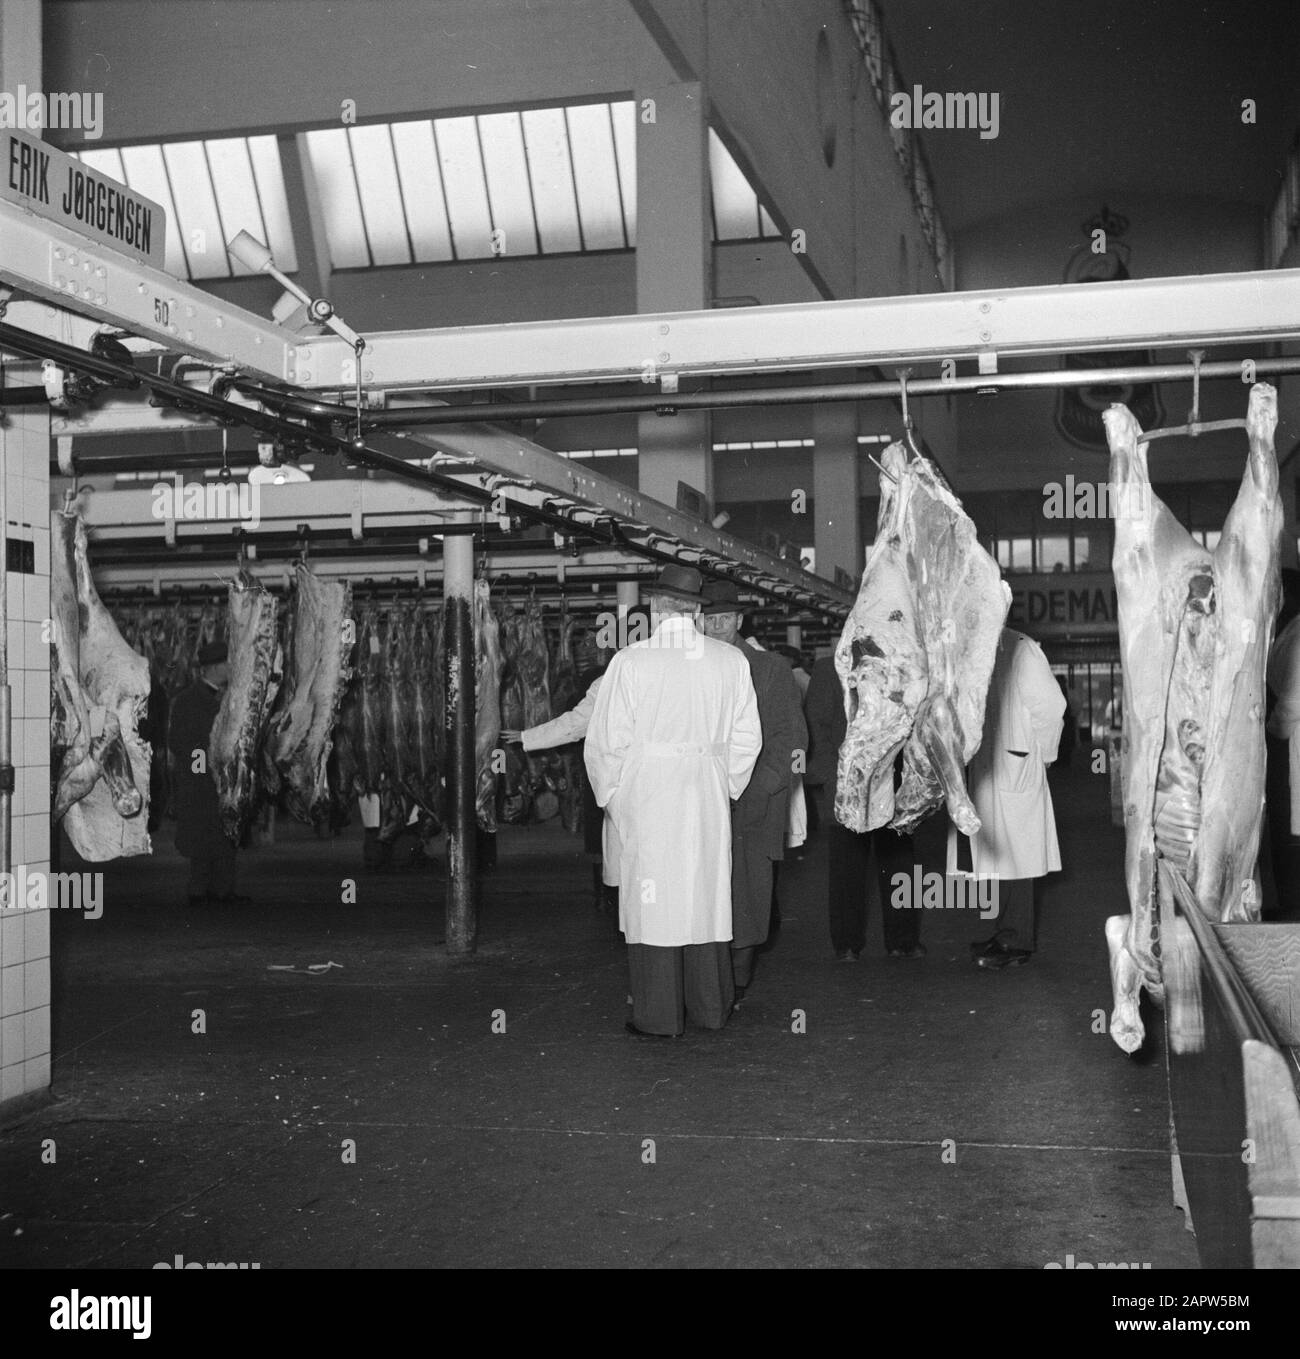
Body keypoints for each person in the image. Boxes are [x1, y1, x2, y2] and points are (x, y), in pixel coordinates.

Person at [585, 565, 761, 1037]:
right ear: (698, 610)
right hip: (706, 791)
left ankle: (659, 1016)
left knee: (654, 902)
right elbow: (748, 740)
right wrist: (722, 786)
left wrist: (617, 799)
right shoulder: (730, 661)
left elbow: (604, 743)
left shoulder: (631, 661)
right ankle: (710, 1009)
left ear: (658, 608)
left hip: (649, 794)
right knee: (706, 896)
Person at [501, 605, 653, 916]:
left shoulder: (676, 678)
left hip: (665, 792)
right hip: (626, 792)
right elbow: (576, 722)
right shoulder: (606, 683)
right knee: (632, 876)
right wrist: (528, 737)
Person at [700, 582, 807, 999]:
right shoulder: (694, 667)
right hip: (702, 803)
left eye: (726, 618)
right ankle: (710, 983)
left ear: (740, 621)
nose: (718, 626)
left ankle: (737, 983)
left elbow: (793, 742)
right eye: (710, 619)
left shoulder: (770, 669)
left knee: (746, 901)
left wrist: (759, 788)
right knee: (704, 897)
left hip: (752, 807)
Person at [954, 628, 1066, 969]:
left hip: (1016, 764)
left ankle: (1017, 940)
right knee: (999, 855)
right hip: (986, 765)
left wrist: (1045, 754)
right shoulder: (974, 644)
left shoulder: (1022, 649)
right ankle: (1004, 931)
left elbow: (1051, 706)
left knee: (1020, 854)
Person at [803, 654, 924, 960]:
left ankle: (902, 940)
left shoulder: (903, 666)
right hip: (847, 781)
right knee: (847, 864)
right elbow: (815, 725)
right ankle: (846, 943)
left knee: (898, 862)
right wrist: (836, 776)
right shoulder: (828, 668)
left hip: (893, 781)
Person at [167, 640, 248, 906]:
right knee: (203, 837)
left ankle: (223, 889)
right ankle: (199, 891)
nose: (232, 667)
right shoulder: (188, 700)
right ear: (214, 668)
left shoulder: (231, 698)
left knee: (226, 835)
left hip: (224, 780)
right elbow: (181, 741)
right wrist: (203, 771)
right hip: (200, 782)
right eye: (228, 663)